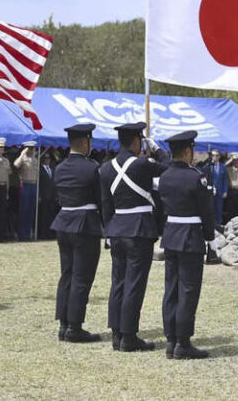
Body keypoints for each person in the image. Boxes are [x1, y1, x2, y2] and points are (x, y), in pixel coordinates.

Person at [99, 121, 169, 353]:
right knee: (134, 284)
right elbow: (167, 166)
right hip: (138, 229)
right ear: (137, 141)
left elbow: (106, 205)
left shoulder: (106, 168)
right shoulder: (142, 164)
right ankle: (129, 336)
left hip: (117, 228)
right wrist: (156, 148)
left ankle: (117, 334)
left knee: (118, 282)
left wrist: (108, 231)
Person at [158, 130, 216, 360]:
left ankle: (171, 340)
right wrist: (210, 237)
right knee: (188, 290)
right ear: (187, 151)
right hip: (191, 235)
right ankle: (183, 342)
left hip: (171, 234)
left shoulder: (165, 176)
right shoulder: (196, 177)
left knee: (171, 289)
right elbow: (206, 210)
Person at [51, 124, 104, 344]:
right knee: (82, 277)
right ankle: (75, 326)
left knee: (67, 274)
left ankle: (64, 324)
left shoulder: (60, 167)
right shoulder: (91, 168)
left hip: (63, 223)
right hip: (85, 224)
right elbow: (100, 198)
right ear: (85, 142)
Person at [14, 141, 40, 241]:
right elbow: (16, 165)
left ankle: (28, 233)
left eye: (32, 148)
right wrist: (22, 154)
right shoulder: (23, 159)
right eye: (29, 148)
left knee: (31, 211)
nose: (32, 150)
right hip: (25, 185)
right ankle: (22, 234)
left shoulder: (35, 160)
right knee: (23, 210)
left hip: (34, 185)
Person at [37, 152, 57, 240]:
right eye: (45, 158)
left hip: (52, 197)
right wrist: (39, 195)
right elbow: (39, 184)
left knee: (51, 216)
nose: (47, 160)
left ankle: (50, 233)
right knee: (43, 216)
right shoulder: (40, 169)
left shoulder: (52, 170)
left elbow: (54, 184)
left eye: (49, 158)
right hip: (44, 196)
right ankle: (42, 234)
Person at [206, 150, 228, 231]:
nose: (215, 157)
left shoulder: (223, 166)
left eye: (217, 155)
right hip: (210, 191)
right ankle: (211, 225)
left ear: (219, 157)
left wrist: (225, 191)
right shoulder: (208, 166)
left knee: (219, 208)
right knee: (211, 208)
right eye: (213, 155)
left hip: (220, 190)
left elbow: (225, 180)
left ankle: (219, 224)